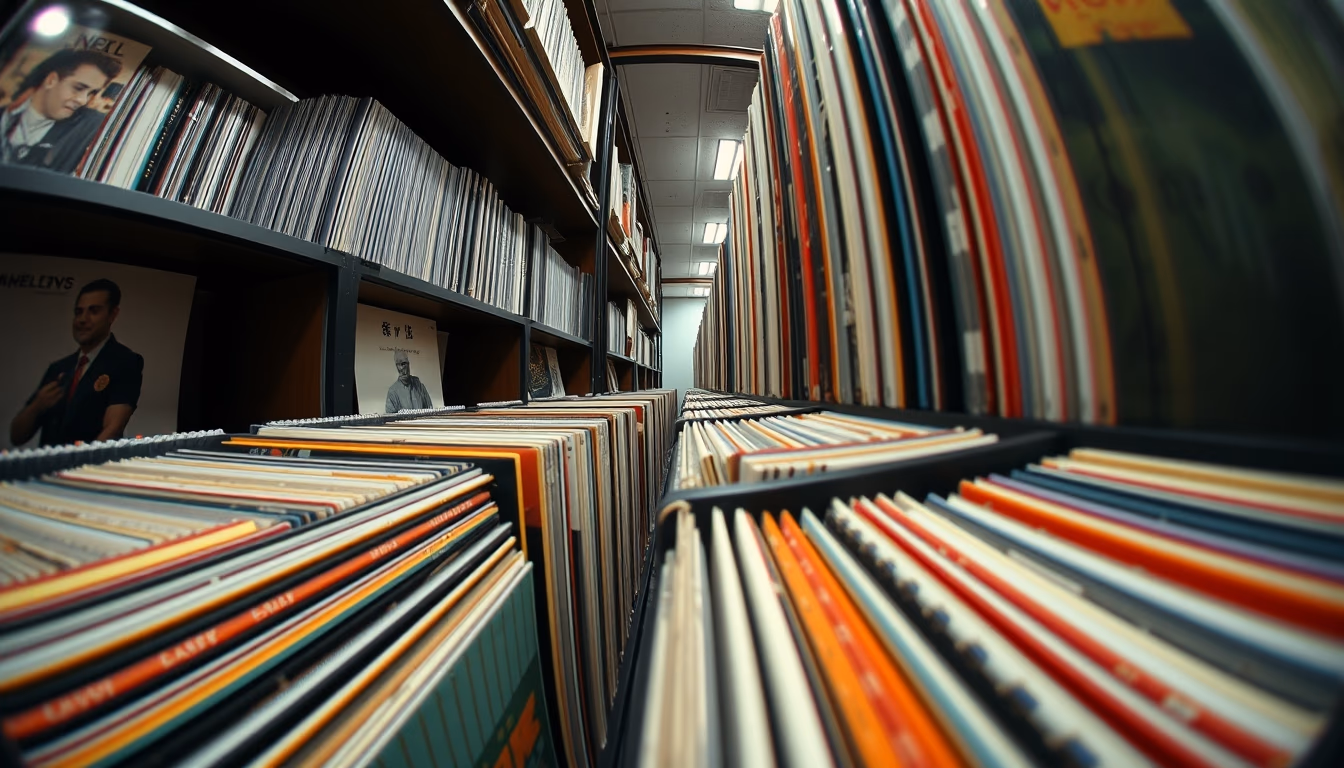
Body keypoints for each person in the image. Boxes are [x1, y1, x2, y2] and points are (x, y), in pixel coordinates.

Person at [10, 278, 144, 446]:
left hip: (88, 469)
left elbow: (113, 429)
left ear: (113, 314)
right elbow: (16, 436)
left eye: (93, 311)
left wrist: (80, 466)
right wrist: (37, 405)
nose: (82, 319)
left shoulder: (125, 362)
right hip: (47, 469)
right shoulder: (59, 368)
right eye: (78, 312)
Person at [0, 48, 121, 173]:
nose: (82, 100)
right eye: (78, 88)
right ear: (51, 80)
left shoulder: (88, 128)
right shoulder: (5, 116)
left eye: (91, 93)